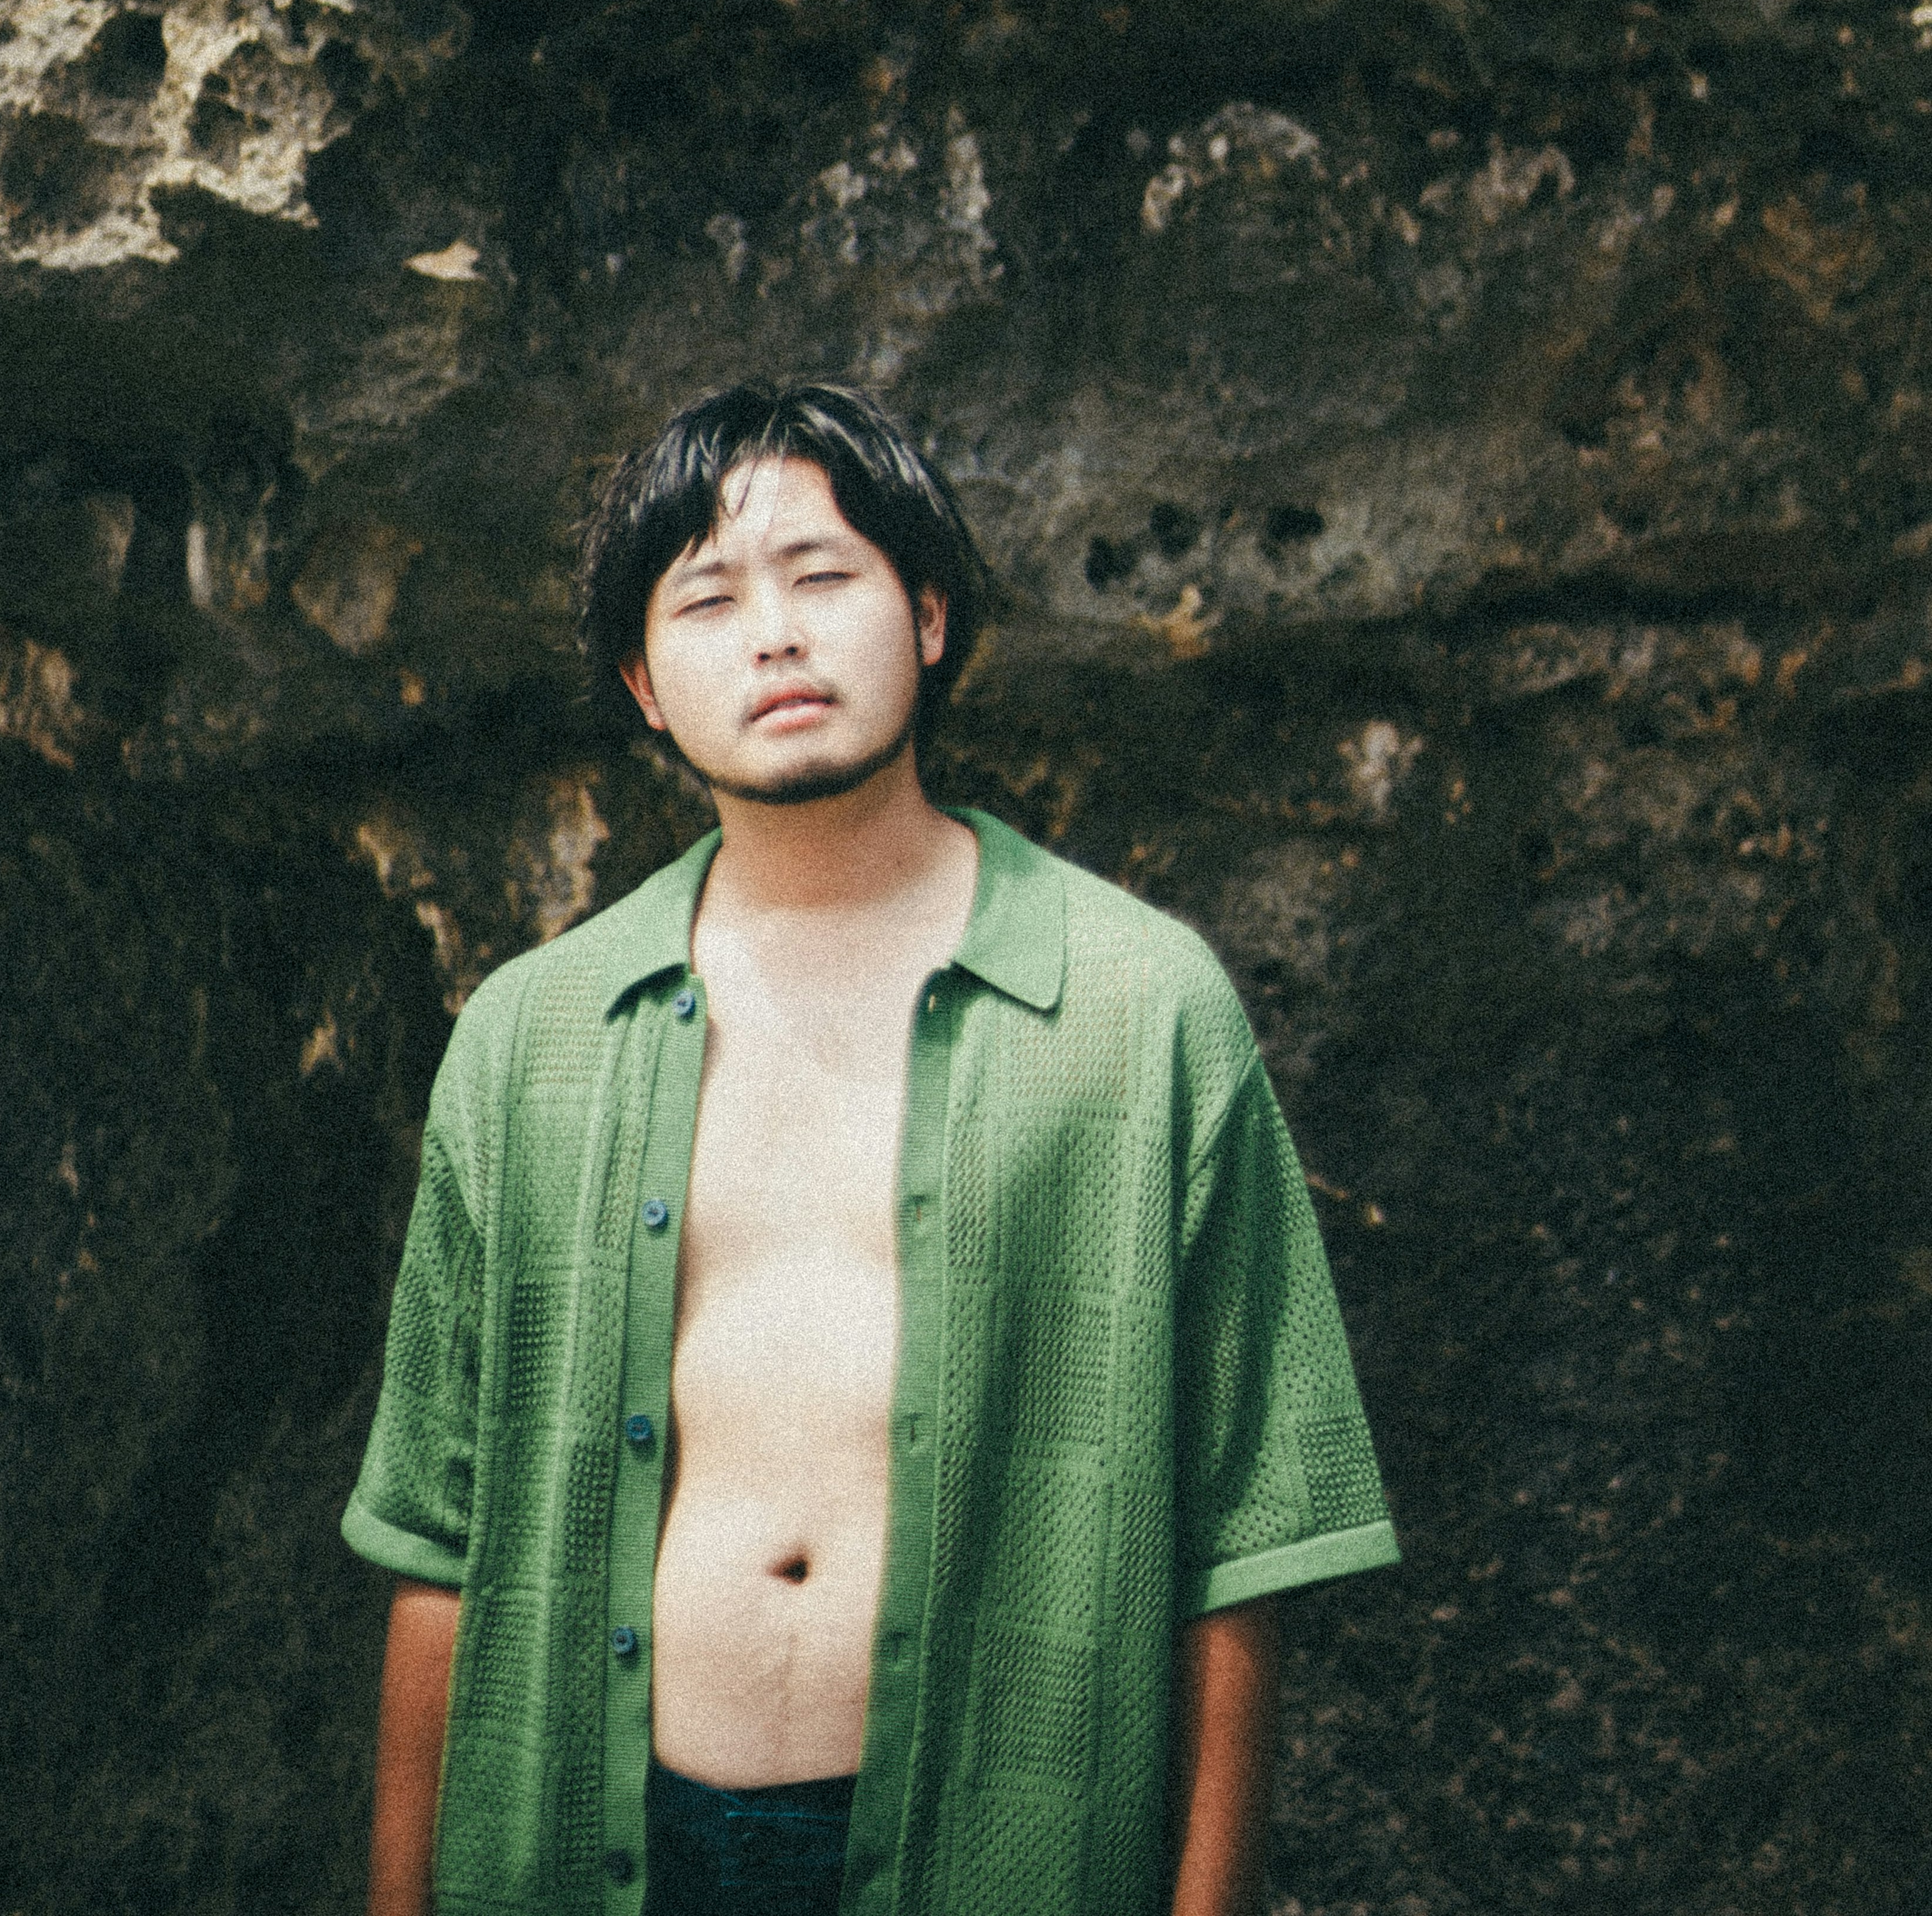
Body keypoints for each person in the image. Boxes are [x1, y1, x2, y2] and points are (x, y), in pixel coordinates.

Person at [345, 382, 1398, 1916]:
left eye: (823, 574)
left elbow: (1244, 1547)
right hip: (600, 1842)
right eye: (708, 596)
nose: (773, 631)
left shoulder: (1139, 1008)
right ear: (645, 681)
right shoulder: (531, 1036)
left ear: (928, 613)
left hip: (1000, 1852)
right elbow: (435, 1545)